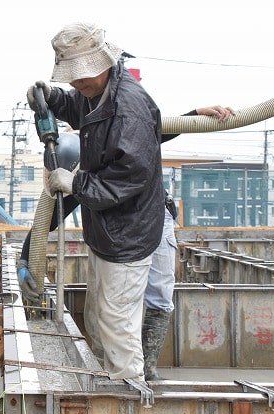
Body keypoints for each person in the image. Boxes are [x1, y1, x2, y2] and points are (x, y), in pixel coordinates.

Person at [25, 21, 233, 381]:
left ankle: (129, 392)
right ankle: (114, 376)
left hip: (132, 229)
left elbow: (128, 174)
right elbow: (82, 107)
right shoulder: (98, 93)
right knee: (103, 317)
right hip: (112, 230)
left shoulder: (128, 108)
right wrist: (52, 99)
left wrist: (75, 183)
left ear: (102, 64)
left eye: (80, 76)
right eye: (70, 77)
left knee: (122, 321)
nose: (75, 83)